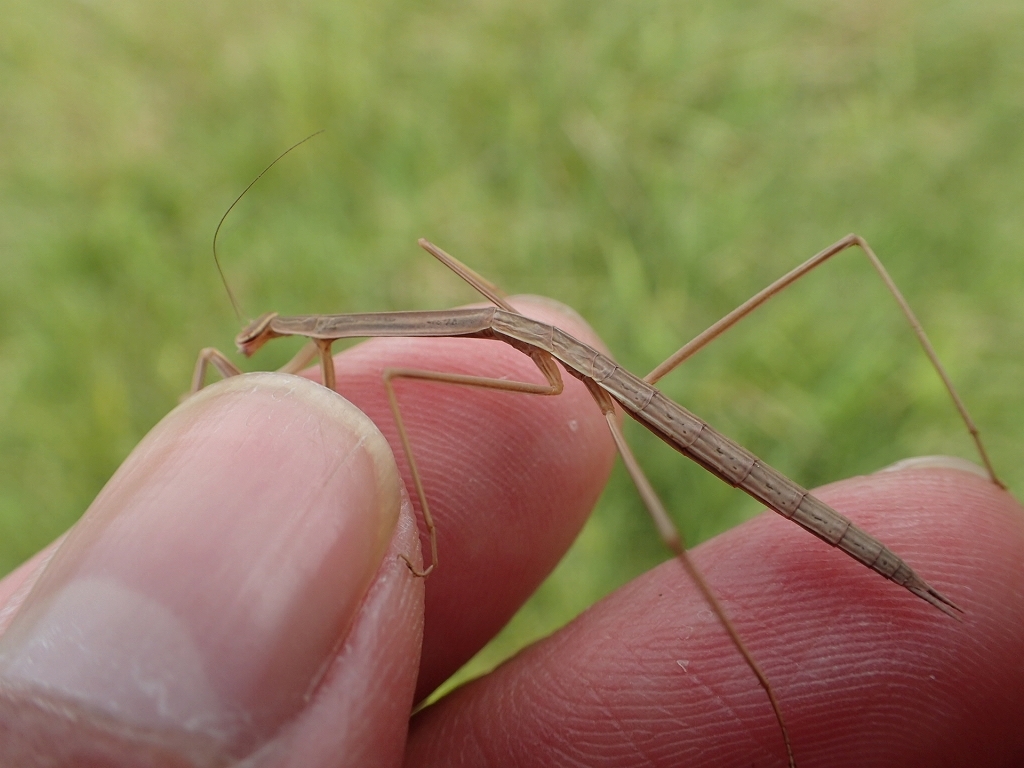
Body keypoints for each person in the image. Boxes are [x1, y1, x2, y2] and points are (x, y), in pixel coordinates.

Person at [0, 298, 1020, 767]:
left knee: (667, 526)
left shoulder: (408, 351)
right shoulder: (439, 331)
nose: (260, 343)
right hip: (550, 357)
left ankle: (773, 698)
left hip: (646, 409)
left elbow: (398, 372)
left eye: (272, 333)